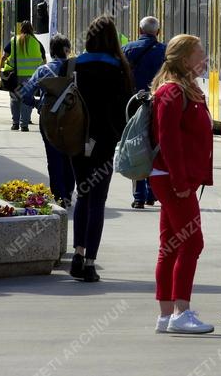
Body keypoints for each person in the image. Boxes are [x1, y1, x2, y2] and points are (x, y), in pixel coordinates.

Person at [150, 34, 214, 334]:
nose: (205, 59)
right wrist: (179, 180)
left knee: (172, 243)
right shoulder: (172, 91)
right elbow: (168, 140)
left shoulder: (186, 89)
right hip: (174, 179)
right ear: (185, 58)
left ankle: (166, 315)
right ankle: (181, 311)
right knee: (192, 242)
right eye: (200, 54)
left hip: (178, 177)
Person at [68, 16, 133, 283]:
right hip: (104, 142)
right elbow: (124, 111)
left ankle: (78, 254)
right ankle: (90, 262)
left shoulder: (74, 65)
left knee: (82, 194)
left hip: (76, 140)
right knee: (97, 200)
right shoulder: (118, 69)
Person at [20, 34, 75, 207]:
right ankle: (67, 192)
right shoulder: (75, 70)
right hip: (72, 119)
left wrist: (37, 104)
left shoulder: (43, 70)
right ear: (67, 51)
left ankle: (58, 195)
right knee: (70, 156)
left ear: (51, 51)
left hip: (49, 119)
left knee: (54, 156)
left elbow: (25, 94)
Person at [124, 16, 167, 209]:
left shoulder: (127, 50)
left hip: (134, 104)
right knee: (155, 146)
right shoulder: (165, 51)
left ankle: (139, 196)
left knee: (136, 145)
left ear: (139, 30)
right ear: (157, 32)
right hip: (159, 103)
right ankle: (152, 193)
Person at [1, 20, 46, 131]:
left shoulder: (13, 40)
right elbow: (44, 61)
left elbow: (4, 57)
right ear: (32, 29)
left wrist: (1, 70)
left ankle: (15, 123)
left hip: (15, 76)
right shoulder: (37, 42)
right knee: (27, 99)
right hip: (31, 78)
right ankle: (24, 125)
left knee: (15, 99)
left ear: (20, 29)